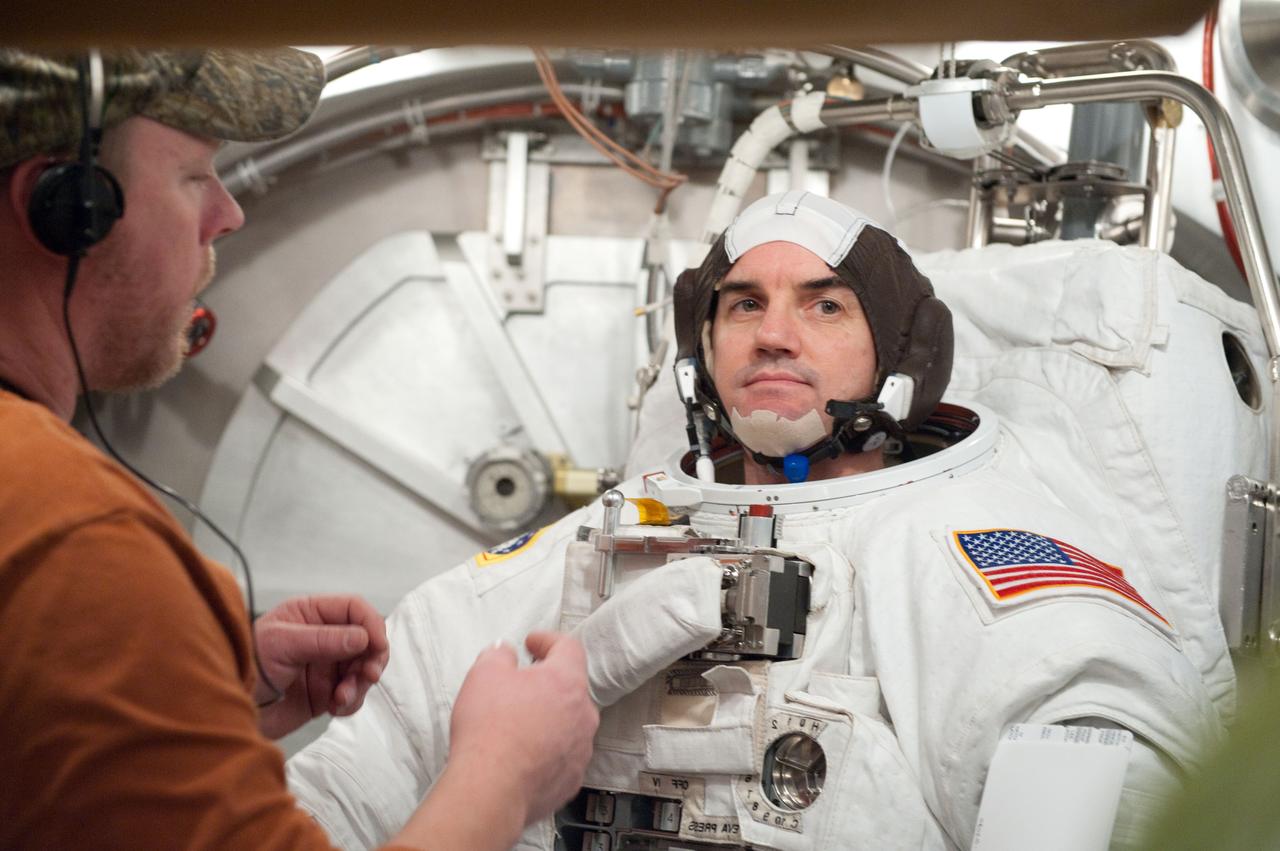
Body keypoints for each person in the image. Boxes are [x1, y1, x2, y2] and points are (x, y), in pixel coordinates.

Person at [286, 191, 1221, 850]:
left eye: (824, 305)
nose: (774, 334)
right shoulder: (590, 546)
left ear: (904, 356)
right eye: (744, 305)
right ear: (701, 355)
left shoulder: (971, 555)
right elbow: (353, 780)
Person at [0, 48, 597, 851]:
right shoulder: (75, 539)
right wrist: (505, 770)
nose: (228, 214)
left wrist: (197, 685)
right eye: (193, 177)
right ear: (68, 208)